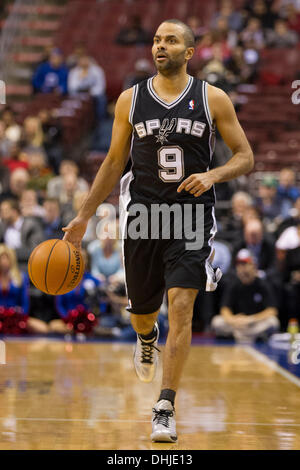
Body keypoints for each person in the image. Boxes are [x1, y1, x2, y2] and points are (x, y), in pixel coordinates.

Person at [63, 19, 254, 443]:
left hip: (190, 217)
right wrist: (84, 216)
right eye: (156, 40)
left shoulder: (212, 98)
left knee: (182, 306)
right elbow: (114, 162)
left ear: (189, 53)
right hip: (143, 216)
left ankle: (165, 405)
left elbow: (245, 157)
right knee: (144, 313)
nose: (159, 46)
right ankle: (146, 336)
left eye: (170, 40)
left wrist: (212, 176)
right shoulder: (130, 100)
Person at [211, 249, 279, 342]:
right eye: (239, 265)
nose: (242, 268)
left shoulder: (263, 284)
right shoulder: (233, 284)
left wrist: (250, 319)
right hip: (237, 323)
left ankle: (239, 336)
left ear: (254, 266)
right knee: (217, 322)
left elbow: (272, 310)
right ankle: (250, 336)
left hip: (255, 322)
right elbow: (225, 309)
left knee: (273, 322)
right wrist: (233, 320)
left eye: (245, 264)